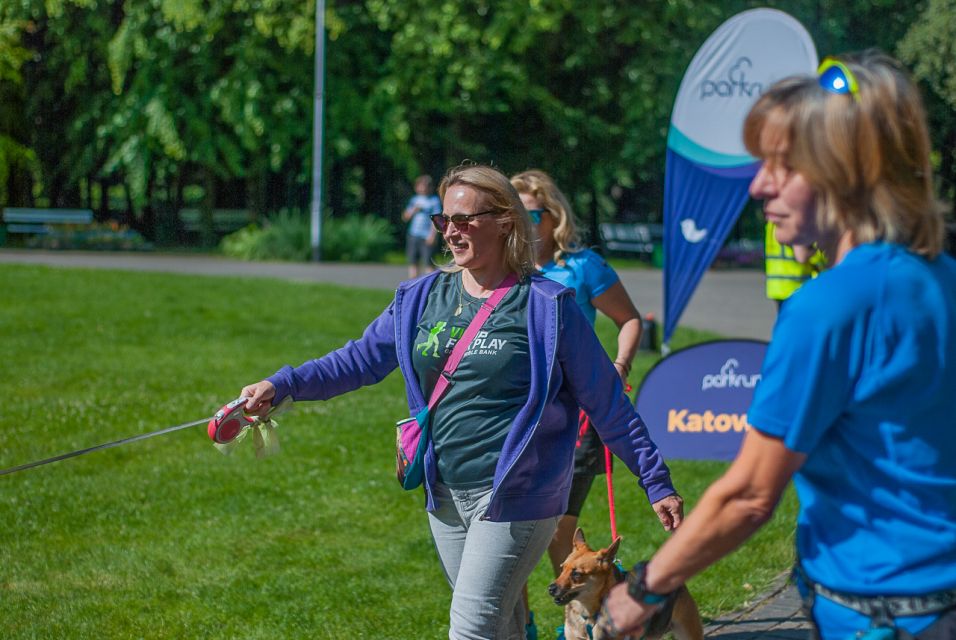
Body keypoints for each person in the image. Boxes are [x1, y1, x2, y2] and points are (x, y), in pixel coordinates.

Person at [239, 163, 684, 640]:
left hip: (518, 493)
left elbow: (607, 402)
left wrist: (655, 481)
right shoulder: (420, 297)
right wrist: (283, 384)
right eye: (443, 220)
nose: (451, 231)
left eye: (465, 219)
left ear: (505, 221)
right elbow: (360, 360)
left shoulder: (547, 306)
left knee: (470, 630)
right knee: (502, 627)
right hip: (444, 491)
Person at [597, 51, 956, 640]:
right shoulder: (938, 277)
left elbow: (749, 495)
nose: (758, 186)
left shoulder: (831, 305)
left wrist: (641, 589)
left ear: (843, 171)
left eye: (781, 166)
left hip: (881, 617)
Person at [510, 169, 644, 632]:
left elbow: (628, 320)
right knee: (511, 528)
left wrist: (618, 367)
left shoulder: (582, 266)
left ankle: (578, 615)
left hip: (576, 417)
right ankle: (522, 622)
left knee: (556, 528)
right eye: (514, 213)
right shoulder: (503, 266)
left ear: (554, 215)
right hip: (514, 417)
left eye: (531, 213)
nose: (523, 224)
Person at [764, 220, 821, 310]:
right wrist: (818, 253)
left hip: (777, 285)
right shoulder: (795, 222)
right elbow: (801, 256)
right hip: (796, 286)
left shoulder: (774, 222)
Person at [403, 174, 442, 278]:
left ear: (430, 187)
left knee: (428, 261)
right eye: (421, 185)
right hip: (413, 234)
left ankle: (430, 285)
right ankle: (413, 285)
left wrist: (432, 235)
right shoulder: (414, 200)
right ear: (417, 187)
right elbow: (405, 217)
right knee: (413, 261)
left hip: (426, 236)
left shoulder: (434, 201)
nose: (423, 188)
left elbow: (436, 220)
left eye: (426, 186)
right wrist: (413, 210)